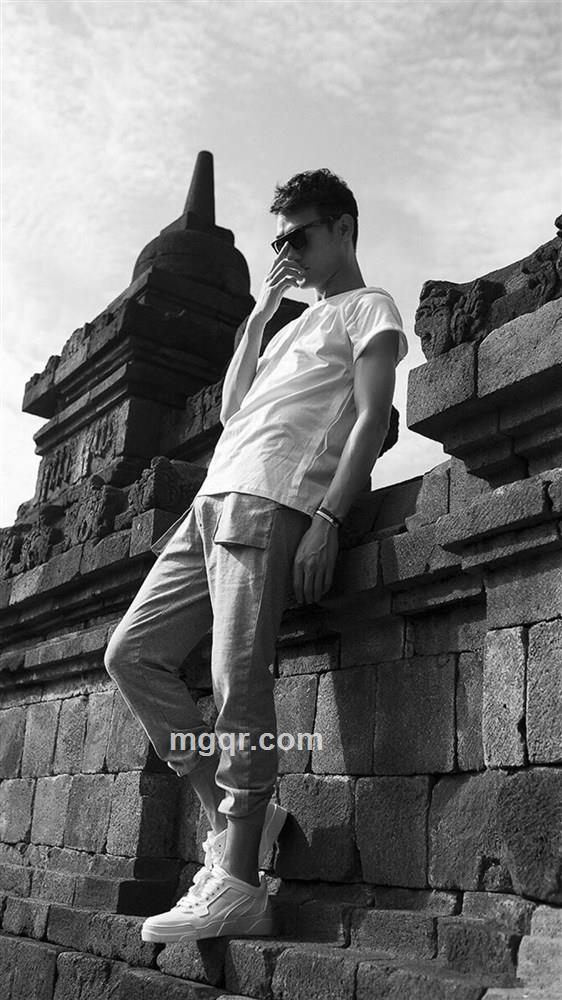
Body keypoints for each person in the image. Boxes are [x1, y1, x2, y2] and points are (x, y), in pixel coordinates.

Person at [104, 168, 408, 943]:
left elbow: (372, 416)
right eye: (277, 242)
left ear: (344, 228)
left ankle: (238, 882)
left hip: (271, 499)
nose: (286, 253)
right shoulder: (286, 328)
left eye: (298, 237)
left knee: (237, 683)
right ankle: (238, 817)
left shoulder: (369, 307)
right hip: (211, 501)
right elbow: (236, 409)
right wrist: (261, 314)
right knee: (131, 654)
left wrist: (328, 517)